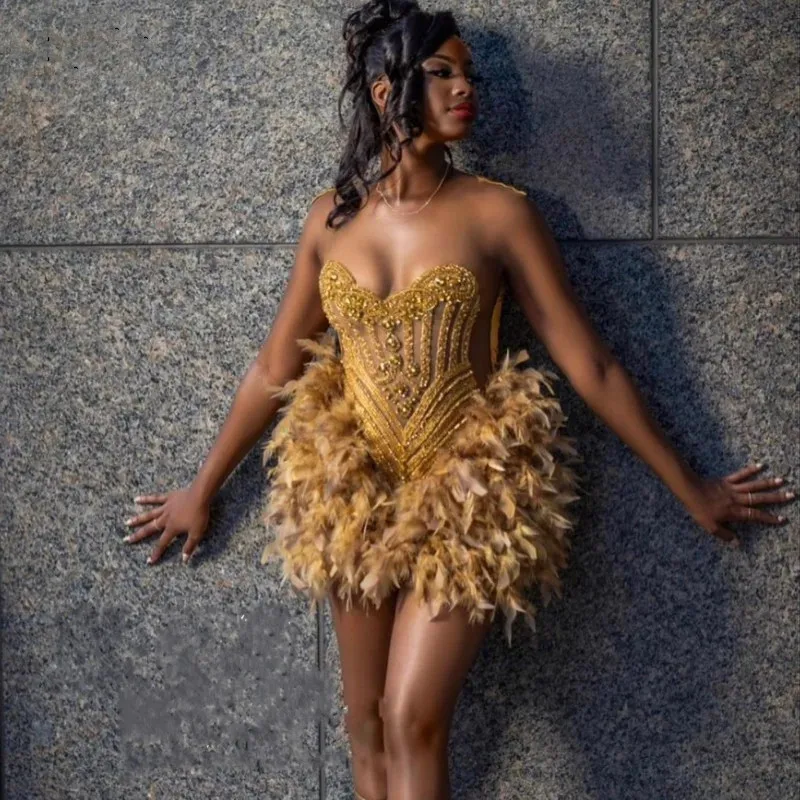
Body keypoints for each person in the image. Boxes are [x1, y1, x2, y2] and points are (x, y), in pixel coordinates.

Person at [121, 2, 795, 798]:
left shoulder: (498, 212)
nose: (466, 87)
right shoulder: (331, 219)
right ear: (386, 92)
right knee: (365, 723)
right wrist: (203, 488)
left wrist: (693, 487)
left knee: (414, 719)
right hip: (352, 488)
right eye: (442, 72)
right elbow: (277, 363)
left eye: (468, 73)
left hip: (472, 493)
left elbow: (590, 363)